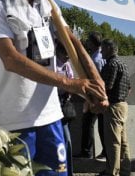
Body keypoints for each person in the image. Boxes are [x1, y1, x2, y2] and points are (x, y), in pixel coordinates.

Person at [0, 0, 107, 176]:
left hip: (51, 117)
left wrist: (96, 83)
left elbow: (72, 40)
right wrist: (70, 83)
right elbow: (11, 59)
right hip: (16, 124)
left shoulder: (48, 6)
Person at [98, 39, 132, 176]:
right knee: (123, 142)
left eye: (103, 49)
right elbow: (129, 88)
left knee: (113, 142)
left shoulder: (110, 65)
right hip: (123, 105)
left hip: (113, 106)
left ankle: (112, 172)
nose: (101, 52)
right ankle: (125, 171)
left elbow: (107, 86)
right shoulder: (123, 65)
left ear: (109, 48)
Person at [78, 31, 106, 160]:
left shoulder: (95, 59)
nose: (87, 42)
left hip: (94, 97)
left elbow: (95, 78)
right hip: (99, 97)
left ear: (93, 42)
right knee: (101, 125)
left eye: (89, 41)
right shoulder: (100, 56)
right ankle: (104, 151)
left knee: (88, 124)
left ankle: (86, 151)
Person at [56, 42, 76, 176]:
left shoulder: (67, 66)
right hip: (51, 104)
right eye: (65, 56)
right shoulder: (52, 63)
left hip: (62, 105)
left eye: (69, 57)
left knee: (67, 140)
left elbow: (72, 82)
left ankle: (69, 172)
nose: (67, 59)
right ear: (59, 53)